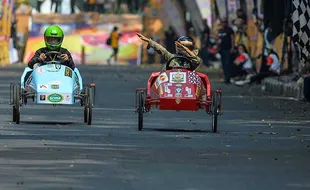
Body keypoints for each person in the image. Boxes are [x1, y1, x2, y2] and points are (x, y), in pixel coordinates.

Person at [137, 33, 202, 70]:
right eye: (182, 46)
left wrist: (185, 49)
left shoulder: (192, 61)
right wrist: (149, 41)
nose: (185, 48)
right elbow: (161, 49)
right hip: (170, 86)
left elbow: (197, 60)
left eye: (188, 47)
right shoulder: (172, 58)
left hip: (187, 87)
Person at [218, 18, 235, 84]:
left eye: (225, 22)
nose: (223, 23)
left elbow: (232, 39)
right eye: (222, 22)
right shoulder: (220, 30)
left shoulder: (229, 30)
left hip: (228, 49)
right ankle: (225, 77)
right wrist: (217, 47)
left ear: (227, 23)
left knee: (228, 63)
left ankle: (228, 78)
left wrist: (232, 48)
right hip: (221, 49)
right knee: (223, 64)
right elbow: (219, 40)